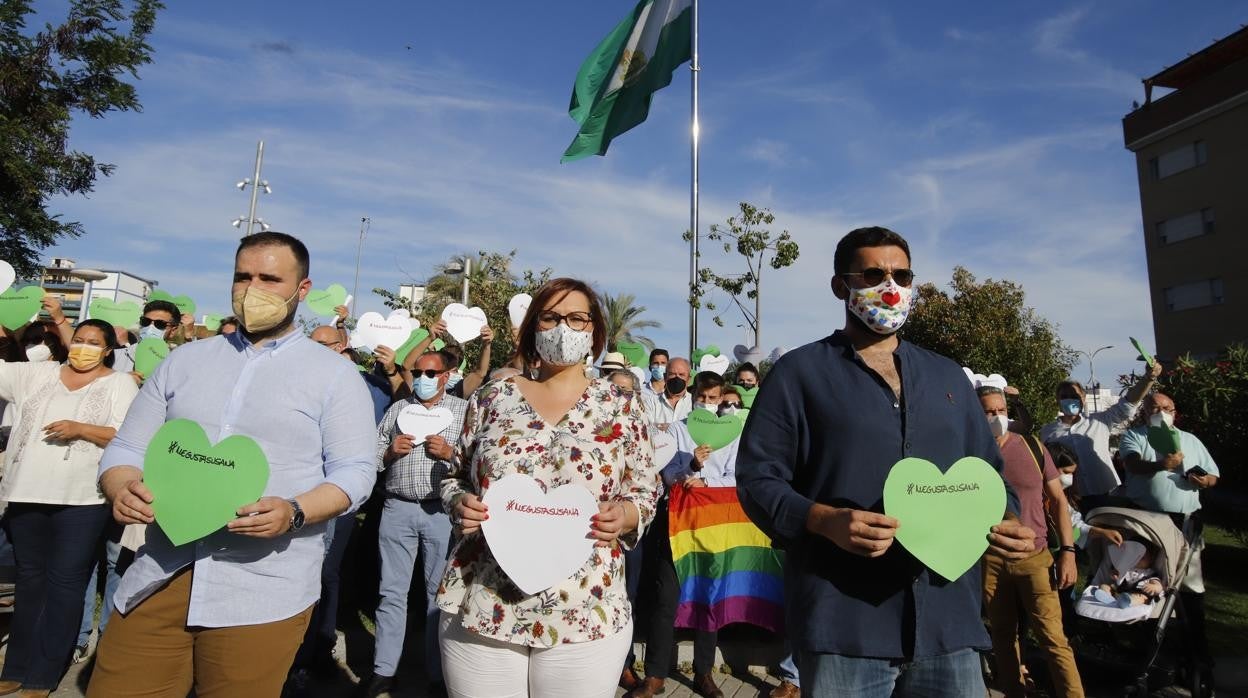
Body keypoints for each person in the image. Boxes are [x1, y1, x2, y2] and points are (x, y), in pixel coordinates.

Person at [735, 226, 1035, 697]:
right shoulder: (799, 374)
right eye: (873, 274)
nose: (890, 286)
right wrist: (823, 519)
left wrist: (1008, 519)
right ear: (841, 285)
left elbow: (989, 475)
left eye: (902, 274)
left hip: (948, 623)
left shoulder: (947, 376)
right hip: (844, 624)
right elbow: (757, 479)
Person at [86, 232, 378, 697]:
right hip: (161, 570)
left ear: (303, 289)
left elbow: (355, 471)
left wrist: (295, 510)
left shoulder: (335, 376)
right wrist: (119, 484)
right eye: (243, 277)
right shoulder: (185, 362)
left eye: (269, 278)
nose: (252, 289)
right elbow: (127, 447)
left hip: (261, 588)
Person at [437, 277, 661, 698]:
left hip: (586, 605)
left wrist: (628, 514)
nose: (563, 328)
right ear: (532, 327)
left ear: (594, 332)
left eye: (577, 318)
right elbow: (455, 475)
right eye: (551, 317)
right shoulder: (492, 398)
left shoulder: (621, 405)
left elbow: (646, 488)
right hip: (484, 599)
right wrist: (459, 503)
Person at [0, 319, 138, 697]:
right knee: (30, 582)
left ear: (108, 350)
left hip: (82, 499)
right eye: (79, 340)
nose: (84, 348)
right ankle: (16, 668)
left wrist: (82, 429)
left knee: (64, 584)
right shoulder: (40, 373)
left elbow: (127, 433)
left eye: (94, 343)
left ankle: (44, 674)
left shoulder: (119, 383)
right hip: (26, 492)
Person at [362, 349, 469, 697]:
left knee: (437, 595)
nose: (424, 378)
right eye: (418, 372)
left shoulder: (463, 411)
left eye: (431, 373)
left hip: (440, 512)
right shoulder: (399, 409)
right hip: (397, 508)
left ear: (446, 375)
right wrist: (390, 451)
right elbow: (372, 453)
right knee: (391, 591)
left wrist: (450, 454)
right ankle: (383, 670)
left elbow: (477, 458)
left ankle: (437, 674)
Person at [629, 371, 736, 698]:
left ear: (720, 400)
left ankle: (704, 673)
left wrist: (708, 482)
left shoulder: (732, 434)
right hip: (677, 519)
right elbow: (667, 473)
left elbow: (735, 476)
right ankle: (656, 675)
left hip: (713, 522)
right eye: (701, 397)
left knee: (709, 595)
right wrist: (692, 466)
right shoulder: (678, 429)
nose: (707, 403)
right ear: (693, 396)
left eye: (713, 398)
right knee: (666, 597)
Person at [977, 385, 1083, 698]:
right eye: (989, 412)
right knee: (1003, 636)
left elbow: (1058, 501)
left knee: (1053, 638)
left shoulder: (1032, 447)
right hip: (991, 558)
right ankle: (1014, 691)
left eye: (1001, 411)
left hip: (1035, 557)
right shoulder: (969, 454)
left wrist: (1068, 551)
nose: (997, 417)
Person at [1119, 392, 1218, 683]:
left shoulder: (1191, 440)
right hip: (1148, 522)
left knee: (1189, 593)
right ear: (1145, 413)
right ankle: (1148, 659)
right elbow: (1133, 465)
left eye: (1167, 408)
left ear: (1175, 411)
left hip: (1186, 525)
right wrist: (1161, 465)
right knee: (1146, 588)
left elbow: (1213, 476)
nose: (1161, 412)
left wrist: (1204, 480)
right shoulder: (1135, 436)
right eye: (1155, 408)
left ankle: (1197, 659)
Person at [1039, 363, 1161, 501]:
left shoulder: (1100, 421)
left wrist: (1149, 378)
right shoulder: (1047, 432)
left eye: (1074, 395)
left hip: (1107, 492)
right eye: (1064, 396)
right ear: (1058, 401)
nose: (1070, 399)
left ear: (1083, 399)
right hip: (1072, 497)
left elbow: (1128, 404)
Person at [640, 357, 692, 426]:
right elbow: (647, 429)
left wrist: (662, 426)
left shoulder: (694, 404)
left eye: (681, 374)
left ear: (689, 379)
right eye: (672, 374)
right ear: (665, 377)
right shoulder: (651, 403)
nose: (677, 378)